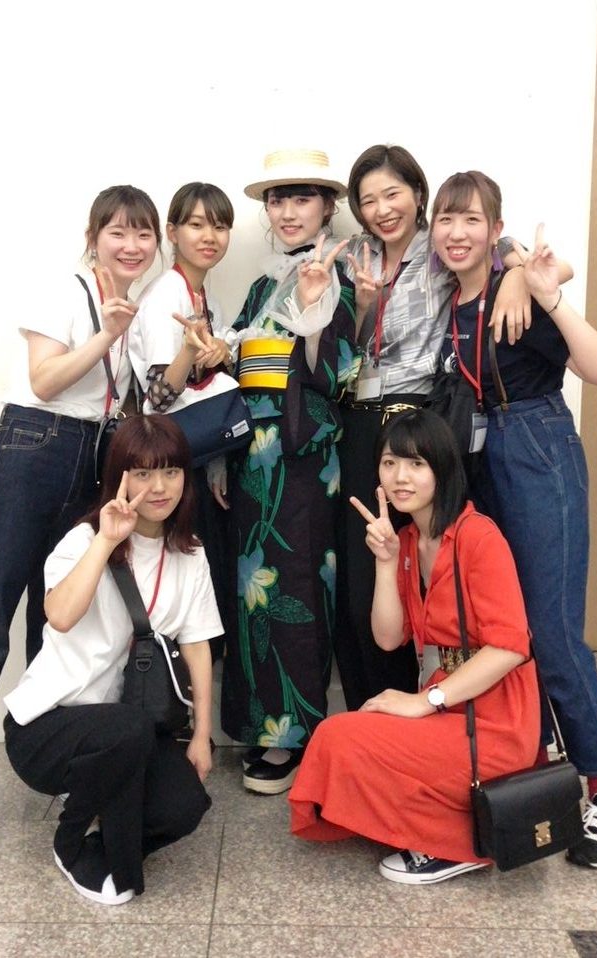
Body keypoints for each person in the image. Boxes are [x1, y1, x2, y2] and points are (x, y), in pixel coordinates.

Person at [0, 185, 161, 850]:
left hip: (91, 458)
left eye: (144, 234)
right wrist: (107, 334)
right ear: (94, 237)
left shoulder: (135, 309)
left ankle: (48, 761)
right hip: (31, 449)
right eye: (118, 232)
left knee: (58, 622)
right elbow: (45, 380)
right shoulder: (63, 289)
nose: (132, 245)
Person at [430, 170, 597, 869]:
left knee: (553, 632)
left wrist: (542, 288)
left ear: (495, 226)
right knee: (503, 629)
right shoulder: (448, 298)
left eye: (472, 220)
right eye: (446, 219)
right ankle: (535, 771)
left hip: (538, 449)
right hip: (478, 461)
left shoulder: (519, 288)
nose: (457, 233)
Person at [289, 408, 540, 885]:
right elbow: (388, 637)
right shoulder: (408, 541)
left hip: (494, 723)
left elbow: (510, 647)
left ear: (442, 469)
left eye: (416, 464)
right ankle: (440, 822)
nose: (400, 477)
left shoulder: (478, 537)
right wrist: (385, 563)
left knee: (341, 739)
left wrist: (426, 701)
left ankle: (458, 844)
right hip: (451, 710)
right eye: (389, 463)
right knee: (340, 737)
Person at [335, 144, 533, 711]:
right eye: (368, 200)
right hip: (359, 424)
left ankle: (414, 708)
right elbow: (343, 345)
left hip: (416, 426)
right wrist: (363, 305)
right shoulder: (355, 256)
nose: (382, 209)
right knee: (359, 580)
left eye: (392, 194)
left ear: (418, 194)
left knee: (415, 574)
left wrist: (517, 275)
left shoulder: (441, 247)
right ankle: (366, 717)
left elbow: (511, 250)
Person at [2, 415, 218, 905]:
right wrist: (106, 540)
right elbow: (59, 616)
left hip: (128, 732)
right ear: (119, 477)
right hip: (47, 728)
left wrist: (202, 734)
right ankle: (72, 842)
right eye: (142, 473)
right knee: (126, 729)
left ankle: (107, 830)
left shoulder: (190, 554)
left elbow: (198, 643)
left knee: (186, 805)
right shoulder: (83, 541)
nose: (159, 488)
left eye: (170, 472)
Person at [220, 150, 361, 794]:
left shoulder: (341, 276)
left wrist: (313, 314)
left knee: (298, 581)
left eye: (302, 198)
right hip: (254, 454)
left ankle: (294, 731)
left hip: (301, 456)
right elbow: (242, 375)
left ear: (327, 207)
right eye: (277, 199)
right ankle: (258, 722)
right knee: (254, 584)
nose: (287, 211)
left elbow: (339, 373)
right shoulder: (259, 287)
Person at [128, 182, 235, 656]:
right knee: (176, 594)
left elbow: (204, 384)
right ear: (172, 232)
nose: (209, 236)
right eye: (196, 224)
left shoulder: (201, 294)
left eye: (220, 226)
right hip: (168, 463)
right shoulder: (166, 294)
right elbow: (158, 396)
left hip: (191, 457)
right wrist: (192, 351)